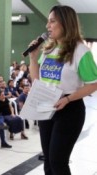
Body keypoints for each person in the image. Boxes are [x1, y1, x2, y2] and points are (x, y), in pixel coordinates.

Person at [28, 5, 97, 175]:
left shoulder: (81, 51)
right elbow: (37, 81)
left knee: (58, 162)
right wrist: (33, 58)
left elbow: (94, 84)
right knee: (48, 162)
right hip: (46, 105)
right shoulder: (49, 49)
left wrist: (67, 99)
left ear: (66, 24)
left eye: (52, 21)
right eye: (48, 22)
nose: (47, 26)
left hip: (69, 108)